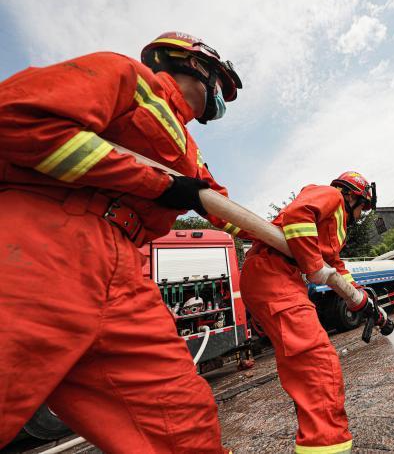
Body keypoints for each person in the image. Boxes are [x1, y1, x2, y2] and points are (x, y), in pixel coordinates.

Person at [0, 31, 243, 453]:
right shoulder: (125, 73)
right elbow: (18, 117)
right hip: (41, 240)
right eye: (221, 84)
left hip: (124, 266)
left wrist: (291, 245)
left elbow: (221, 205)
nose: (221, 98)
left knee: (183, 421)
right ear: (197, 65)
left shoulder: (189, 149)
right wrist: (155, 184)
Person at [239, 171, 386, 454]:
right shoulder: (330, 196)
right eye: (364, 206)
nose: (363, 213)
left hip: (283, 275)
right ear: (352, 195)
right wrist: (314, 265)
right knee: (316, 362)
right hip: (273, 271)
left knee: (308, 362)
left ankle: (322, 441)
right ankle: (326, 445)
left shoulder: (336, 226)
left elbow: (335, 266)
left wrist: (362, 300)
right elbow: (298, 215)